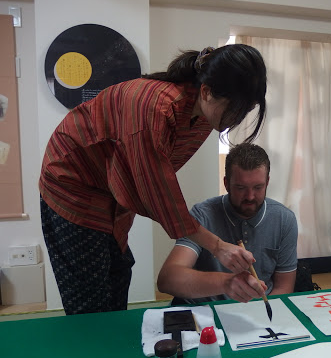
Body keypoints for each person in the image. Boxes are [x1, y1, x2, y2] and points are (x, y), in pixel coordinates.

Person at [39, 44, 267, 315]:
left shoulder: (203, 112)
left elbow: (155, 178)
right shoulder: (153, 108)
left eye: (245, 111)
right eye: (234, 110)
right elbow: (157, 194)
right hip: (72, 186)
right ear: (206, 91)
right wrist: (218, 246)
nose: (236, 120)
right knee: (90, 297)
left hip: (111, 188)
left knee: (119, 272)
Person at [157, 143, 298, 304]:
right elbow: (168, 279)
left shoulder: (284, 220)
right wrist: (226, 283)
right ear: (226, 183)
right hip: (206, 313)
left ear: (267, 182)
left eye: (258, 187)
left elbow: (284, 287)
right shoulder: (202, 215)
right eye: (240, 188)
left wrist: (260, 314)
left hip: (257, 313)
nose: (250, 196)